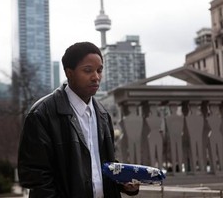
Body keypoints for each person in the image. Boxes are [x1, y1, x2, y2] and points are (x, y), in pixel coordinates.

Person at [17, 42, 139, 197]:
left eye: (99, 70)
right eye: (88, 70)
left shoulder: (103, 114)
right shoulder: (42, 113)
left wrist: (125, 183)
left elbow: (103, 166)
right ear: (69, 73)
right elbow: (34, 176)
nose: (96, 77)